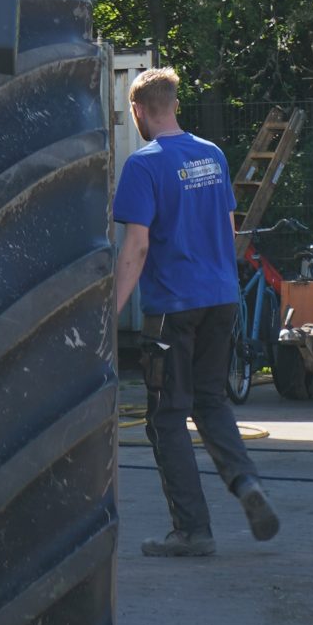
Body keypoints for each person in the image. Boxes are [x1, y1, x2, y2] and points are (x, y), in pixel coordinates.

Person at [112, 67, 280, 559]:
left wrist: (109, 313)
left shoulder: (143, 166)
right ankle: (246, 482)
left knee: (166, 417)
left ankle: (192, 530)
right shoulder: (212, 155)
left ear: (139, 111)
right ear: (176, 105)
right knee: (210, 402)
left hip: (173, 307)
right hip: (222, 298)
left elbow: (137, 247)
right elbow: (228, 231)